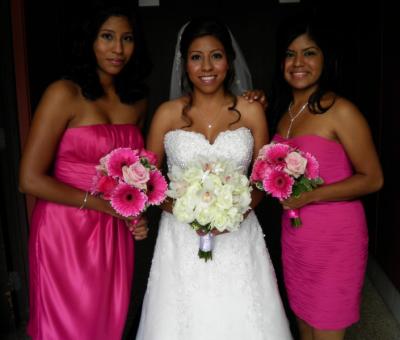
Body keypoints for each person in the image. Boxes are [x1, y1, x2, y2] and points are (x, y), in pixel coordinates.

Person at [135, 17, 293, 340]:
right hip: (180, 238)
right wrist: (186, 212)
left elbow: (263, 179)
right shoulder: (166, 114)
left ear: (230, 60)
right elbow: (147, 182)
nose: (207, 66)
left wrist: (234, 213)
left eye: (216, 55)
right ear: (184, 63)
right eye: (196, 57)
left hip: (238, 234)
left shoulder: (251, 112)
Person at [19, 5, 151, 340]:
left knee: (108, 324)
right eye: (107, 37)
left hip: (113, 231)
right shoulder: (63, 94)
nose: (118, 49)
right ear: (89, 40)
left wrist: (137, 210)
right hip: (64, 230)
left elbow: (135, 172)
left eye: (127, 39)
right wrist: (101, 205)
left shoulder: (137, 101)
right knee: (67, 327)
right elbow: (29, 179)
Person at [269, 14, 384, 340]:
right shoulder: (282, 112)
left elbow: (373, 179)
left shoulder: (341, 110)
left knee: (328, 327)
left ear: (326, 59)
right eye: (290, 54)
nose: (298, 62)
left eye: (309, 52)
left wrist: (309, 196)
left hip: (336, 239)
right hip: (295, 238)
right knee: (304, 324)